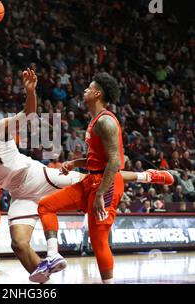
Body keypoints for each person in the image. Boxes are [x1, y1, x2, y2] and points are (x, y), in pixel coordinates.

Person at [0, 57, 174, 283]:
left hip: (36, 177)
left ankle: (147, 175)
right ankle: (46, 278)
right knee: (18, 244)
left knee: (93, 176)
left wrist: (30, 91)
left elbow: (29, 113)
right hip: (18, 193)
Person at [35, 73, 172, 284]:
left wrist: (100, 194)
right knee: (45, 206)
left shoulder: (106, 122)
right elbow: (96, 160)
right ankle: (53, 256)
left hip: (105, 186)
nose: (84, 91)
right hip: (91, 180)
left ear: (97, 93)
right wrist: (75, 164)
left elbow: (115, 163)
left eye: (88, 89)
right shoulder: (94, 120)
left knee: (98, 241)